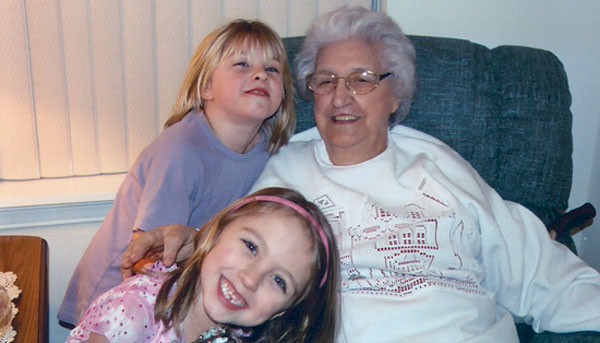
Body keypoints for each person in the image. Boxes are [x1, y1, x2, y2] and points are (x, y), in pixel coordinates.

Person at [122, 6, 600, 342]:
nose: (340, 96)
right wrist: (190, 241)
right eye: (325, 81)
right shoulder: (285, 169)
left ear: (397, 95)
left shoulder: (439, 165)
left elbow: (540, 273)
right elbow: (231, 258)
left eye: (363, 80)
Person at [59, 19, 296, 327]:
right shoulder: (180, 151)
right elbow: (152, 256)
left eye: (272, 69)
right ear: (206, 87)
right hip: (120, 290)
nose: (260, 74)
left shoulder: (270, 152)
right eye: (241, 64)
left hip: (185, 283)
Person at [67, 187, 340, 343]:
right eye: (251, 247)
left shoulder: (241, 333)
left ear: (283, 312)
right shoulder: (132, 311)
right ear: (215, 234)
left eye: (279, 281)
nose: (250, 278)